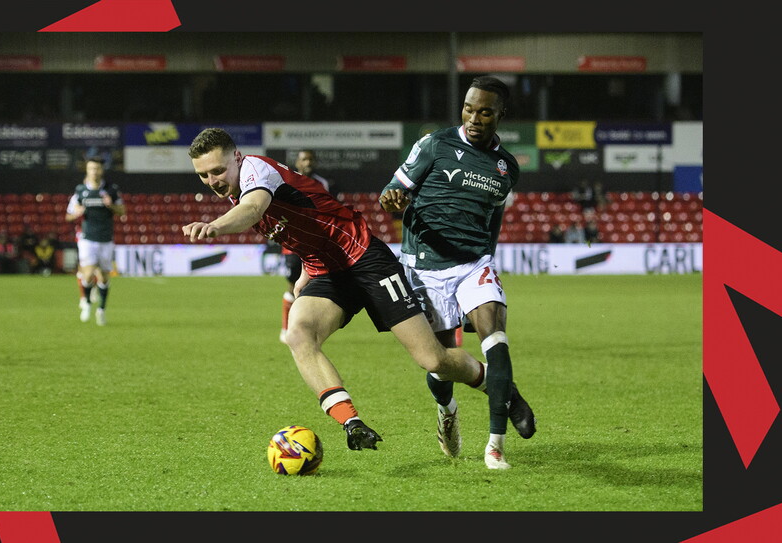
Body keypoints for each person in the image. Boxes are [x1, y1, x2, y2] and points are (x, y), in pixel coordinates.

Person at [183, 127, 492, 454]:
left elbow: (253, 209)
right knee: (299, 334)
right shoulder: (236, 188)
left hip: (365, 258)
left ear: (237, 157)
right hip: (328, 271)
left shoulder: (255, 171)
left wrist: (214, 226)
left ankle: (500, 388)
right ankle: (352, 423)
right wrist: (307, 266)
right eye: (203, 175)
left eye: (217, 170)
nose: (212, 181)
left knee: (433, 359)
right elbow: (309, 218)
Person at [379, 74, 537, 470]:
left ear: (501, 115)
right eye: (468, 109)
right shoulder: (435, 144)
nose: (474, 118)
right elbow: (392, 190)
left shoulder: (506, 167)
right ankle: (448, 409)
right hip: (423, 267)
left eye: (485, 112)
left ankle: (495, 447)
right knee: (439, 362)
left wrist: (488, 258)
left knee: (496, 340)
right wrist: (392, 200)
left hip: (473, 264)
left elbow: (494, 217)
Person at [278, 149, 333, 343]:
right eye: (304, 159)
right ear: (298, 163)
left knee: (314, 285)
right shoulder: (287, 181)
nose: (308, 162)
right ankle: (286, 328)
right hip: (293, 243)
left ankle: (308, 328)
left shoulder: (323, 183)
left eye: (310, 159)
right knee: (293, 284)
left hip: (315, 241)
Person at [65, 156, 126, 326]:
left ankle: (101, 310)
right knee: (89, 273)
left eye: (97, 168)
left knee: (105, 277)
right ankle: (86, 302)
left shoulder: (111, 190)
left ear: (102, 170)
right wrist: (76, 213)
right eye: (91, 168)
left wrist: (111, 205)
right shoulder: (80, 191)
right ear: (87, 170)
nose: (94, 171)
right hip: (88, 238)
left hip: (106, 239)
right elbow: (68, 215)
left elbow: (122, 211)